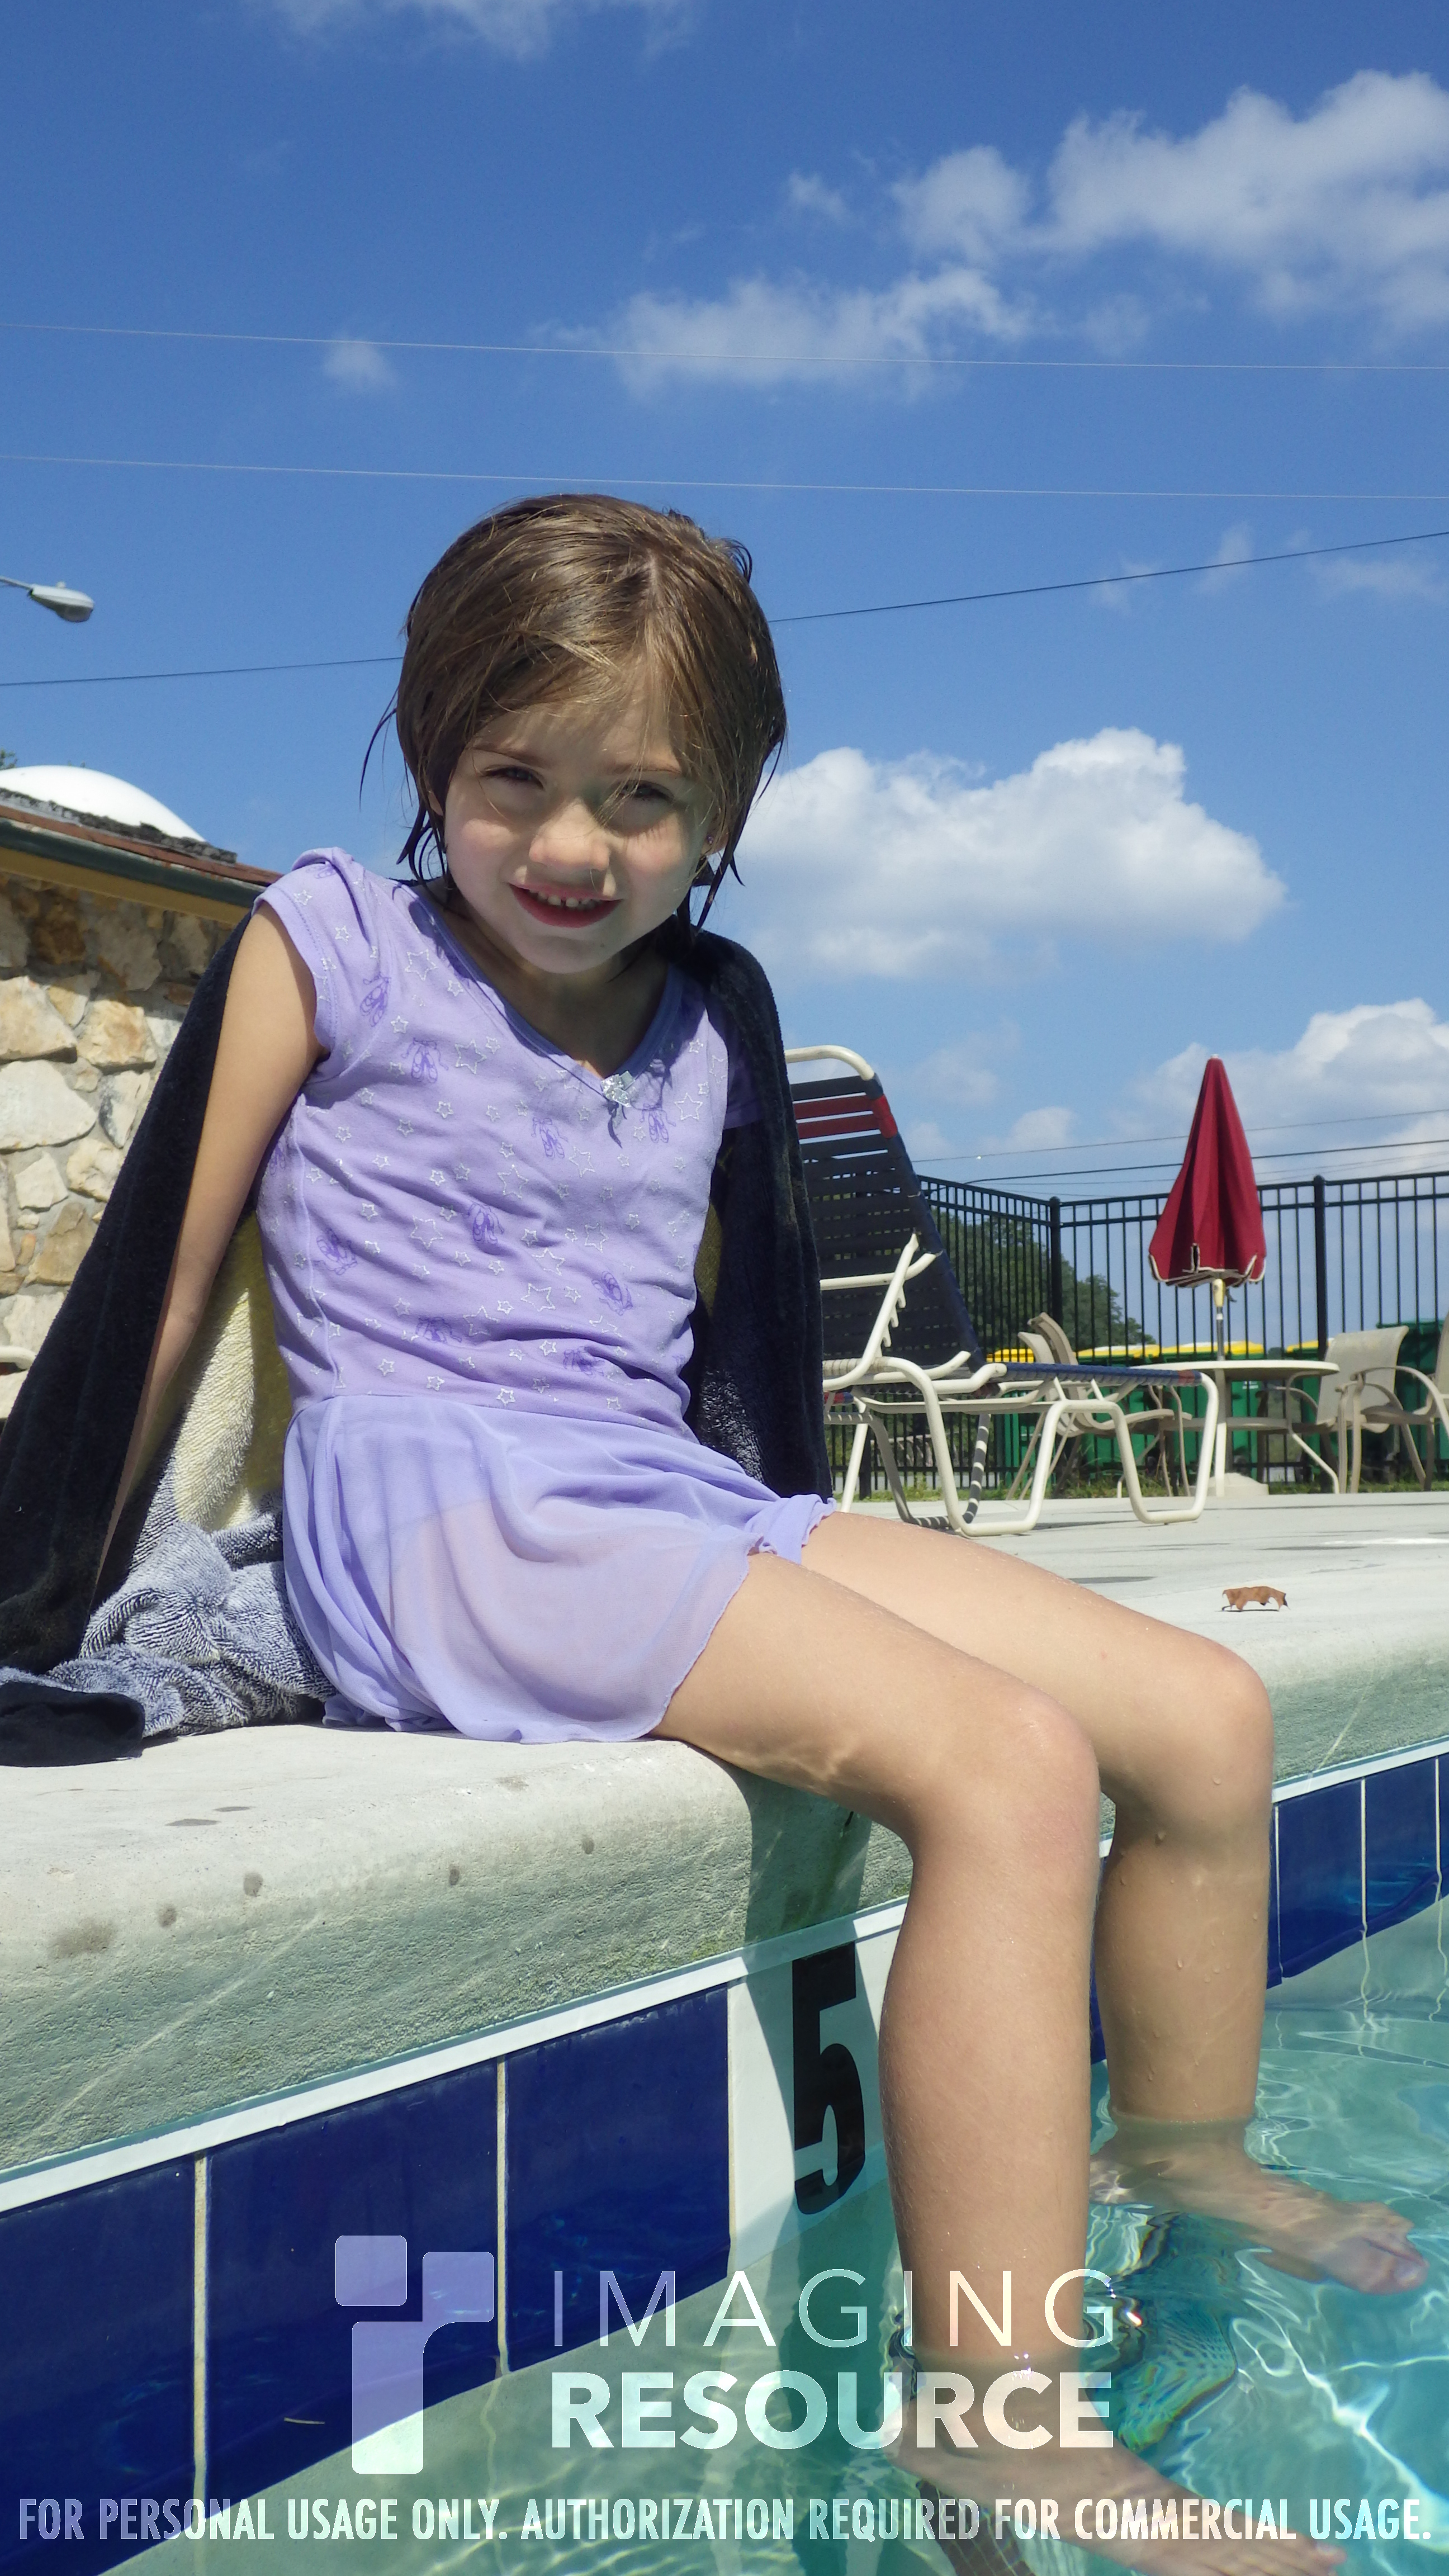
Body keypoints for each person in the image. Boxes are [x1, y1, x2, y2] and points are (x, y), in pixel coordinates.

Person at [116, 495, 1418, 2570]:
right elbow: (162, 1285)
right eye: (514, 779)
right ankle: (998, 2421)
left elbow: (732, 1358)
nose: (572, 844)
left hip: (653, 1483)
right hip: (444, 1500)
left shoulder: (709, 1006)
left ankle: (1180, 2155)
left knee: (1204, 1712)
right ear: (431, 748)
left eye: (642, 798)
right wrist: (60, 1572)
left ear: (721, 810)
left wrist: (799, 1542)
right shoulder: (331, 941)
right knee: (1007, 1766)